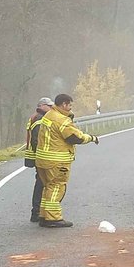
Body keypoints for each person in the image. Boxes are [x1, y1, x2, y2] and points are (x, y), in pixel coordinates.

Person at [32, 92, 98, 228]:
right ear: (64, 104)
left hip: (42, 159)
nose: (70, 108)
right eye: (69, 106)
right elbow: (74, 137)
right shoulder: (62, 120)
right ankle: (53, 218)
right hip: (57, 161)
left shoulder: (49, 115)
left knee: (48, 188)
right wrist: (90, 138)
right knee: (57, 187)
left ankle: (43, 216)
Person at [23, 97, 53, 223]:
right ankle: (36, 212)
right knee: (41, 184)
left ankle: (37, 212)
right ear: (42, 106)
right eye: (49, 106)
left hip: (33, 155)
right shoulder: (40, 119)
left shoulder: (34, 116)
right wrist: (42, 155)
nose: (51, 108)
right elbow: (37, 139)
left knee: (40, 183)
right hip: (39, 157)